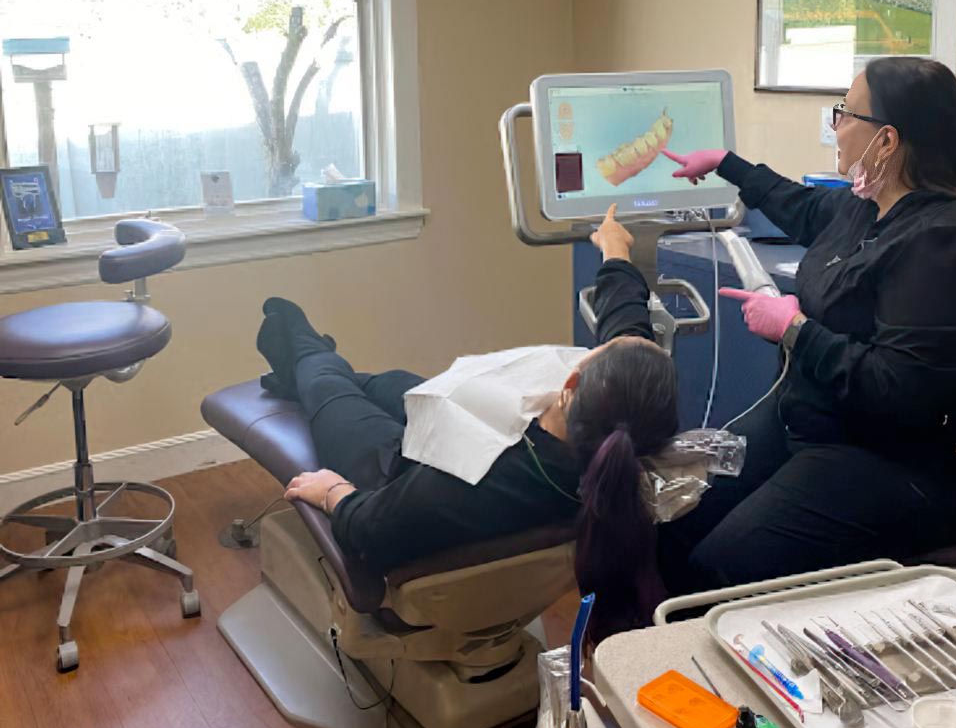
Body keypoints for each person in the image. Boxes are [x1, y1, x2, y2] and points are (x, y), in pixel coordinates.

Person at [658, 56, 956, 592]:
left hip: (893, 460)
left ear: (888, 140)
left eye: (845, 113)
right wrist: (727, 163)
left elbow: (901, 390)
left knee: (723, 565)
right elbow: (802, 208)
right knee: (674, 516)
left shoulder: (947, 244)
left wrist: (795, 329)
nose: (836, 126)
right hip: (813, 420)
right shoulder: (870, 207)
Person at [259, 205, 672, 643]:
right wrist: (614, 247)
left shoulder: (468, 482)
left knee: (325, 382)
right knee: (385, 382)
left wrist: (333, 493)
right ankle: (305, 372)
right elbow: (627, 328)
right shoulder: (629, 423)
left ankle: (300, 344)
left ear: (571, 383)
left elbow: (371, 531)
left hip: (393, 467)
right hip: (462, 423)